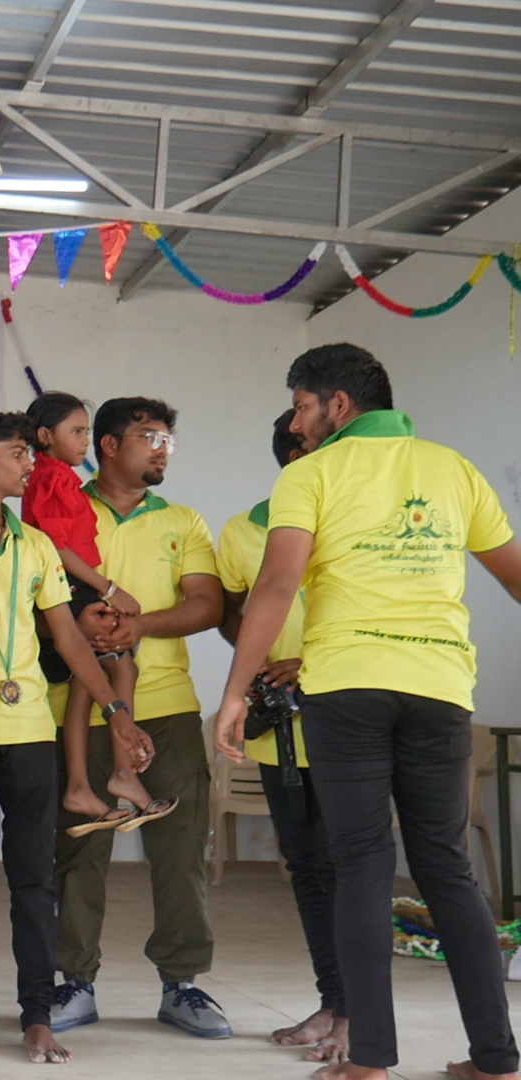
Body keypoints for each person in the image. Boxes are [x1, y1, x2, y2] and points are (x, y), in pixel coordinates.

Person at [214, 344, 521, 1080]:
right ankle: (498, 1059)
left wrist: (234, 692)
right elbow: (516, 578)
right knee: (447, 867)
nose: (296, 421)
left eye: (300, 404)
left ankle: (371, 1062)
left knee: (360, 866)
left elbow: (278, 586)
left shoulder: (312, 474)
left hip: (348, 686)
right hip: (441, 686)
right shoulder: (454, 468)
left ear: (337, 405)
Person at [0, 413, 135, 1065]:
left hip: (30, 729)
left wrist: (115, 707)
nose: (30, 464)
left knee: (34, 878)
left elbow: (67, 636)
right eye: (18, 453)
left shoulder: (36, 546)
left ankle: (37, 1015)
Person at [47, 398, 227, 1040]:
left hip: (169, 706)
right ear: (105, 445)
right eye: (149, 436)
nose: (162, 448)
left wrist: (139, 623)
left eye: (168, 439)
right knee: (78, 853)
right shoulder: (63, 508)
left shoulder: (184, 521)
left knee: (179, 853)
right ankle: (74, 982)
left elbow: (206, 603)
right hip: (74, 709)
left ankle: (183, 984)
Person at [215, 410, 347, 1064]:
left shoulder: (354, 519)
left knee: (353, 867)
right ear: (294, 455)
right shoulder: (244, 532)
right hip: (280, 733)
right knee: (309, 870)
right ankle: (334, 1002)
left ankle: (358, 1015)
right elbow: (236, 617)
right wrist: (257, 670)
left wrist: (314, 664)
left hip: (352, 720)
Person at [22, 393, 165, 830]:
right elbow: (57, 547)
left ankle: (92, 783)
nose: (85, 441)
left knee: (98, 678)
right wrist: (109, 588)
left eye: (86, 431)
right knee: (115, 668)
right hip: (71, 587)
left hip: (78, 586)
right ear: (46, 437)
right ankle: (110, 778)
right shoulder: (51, 480)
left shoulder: (61, 477)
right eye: (77, 432)